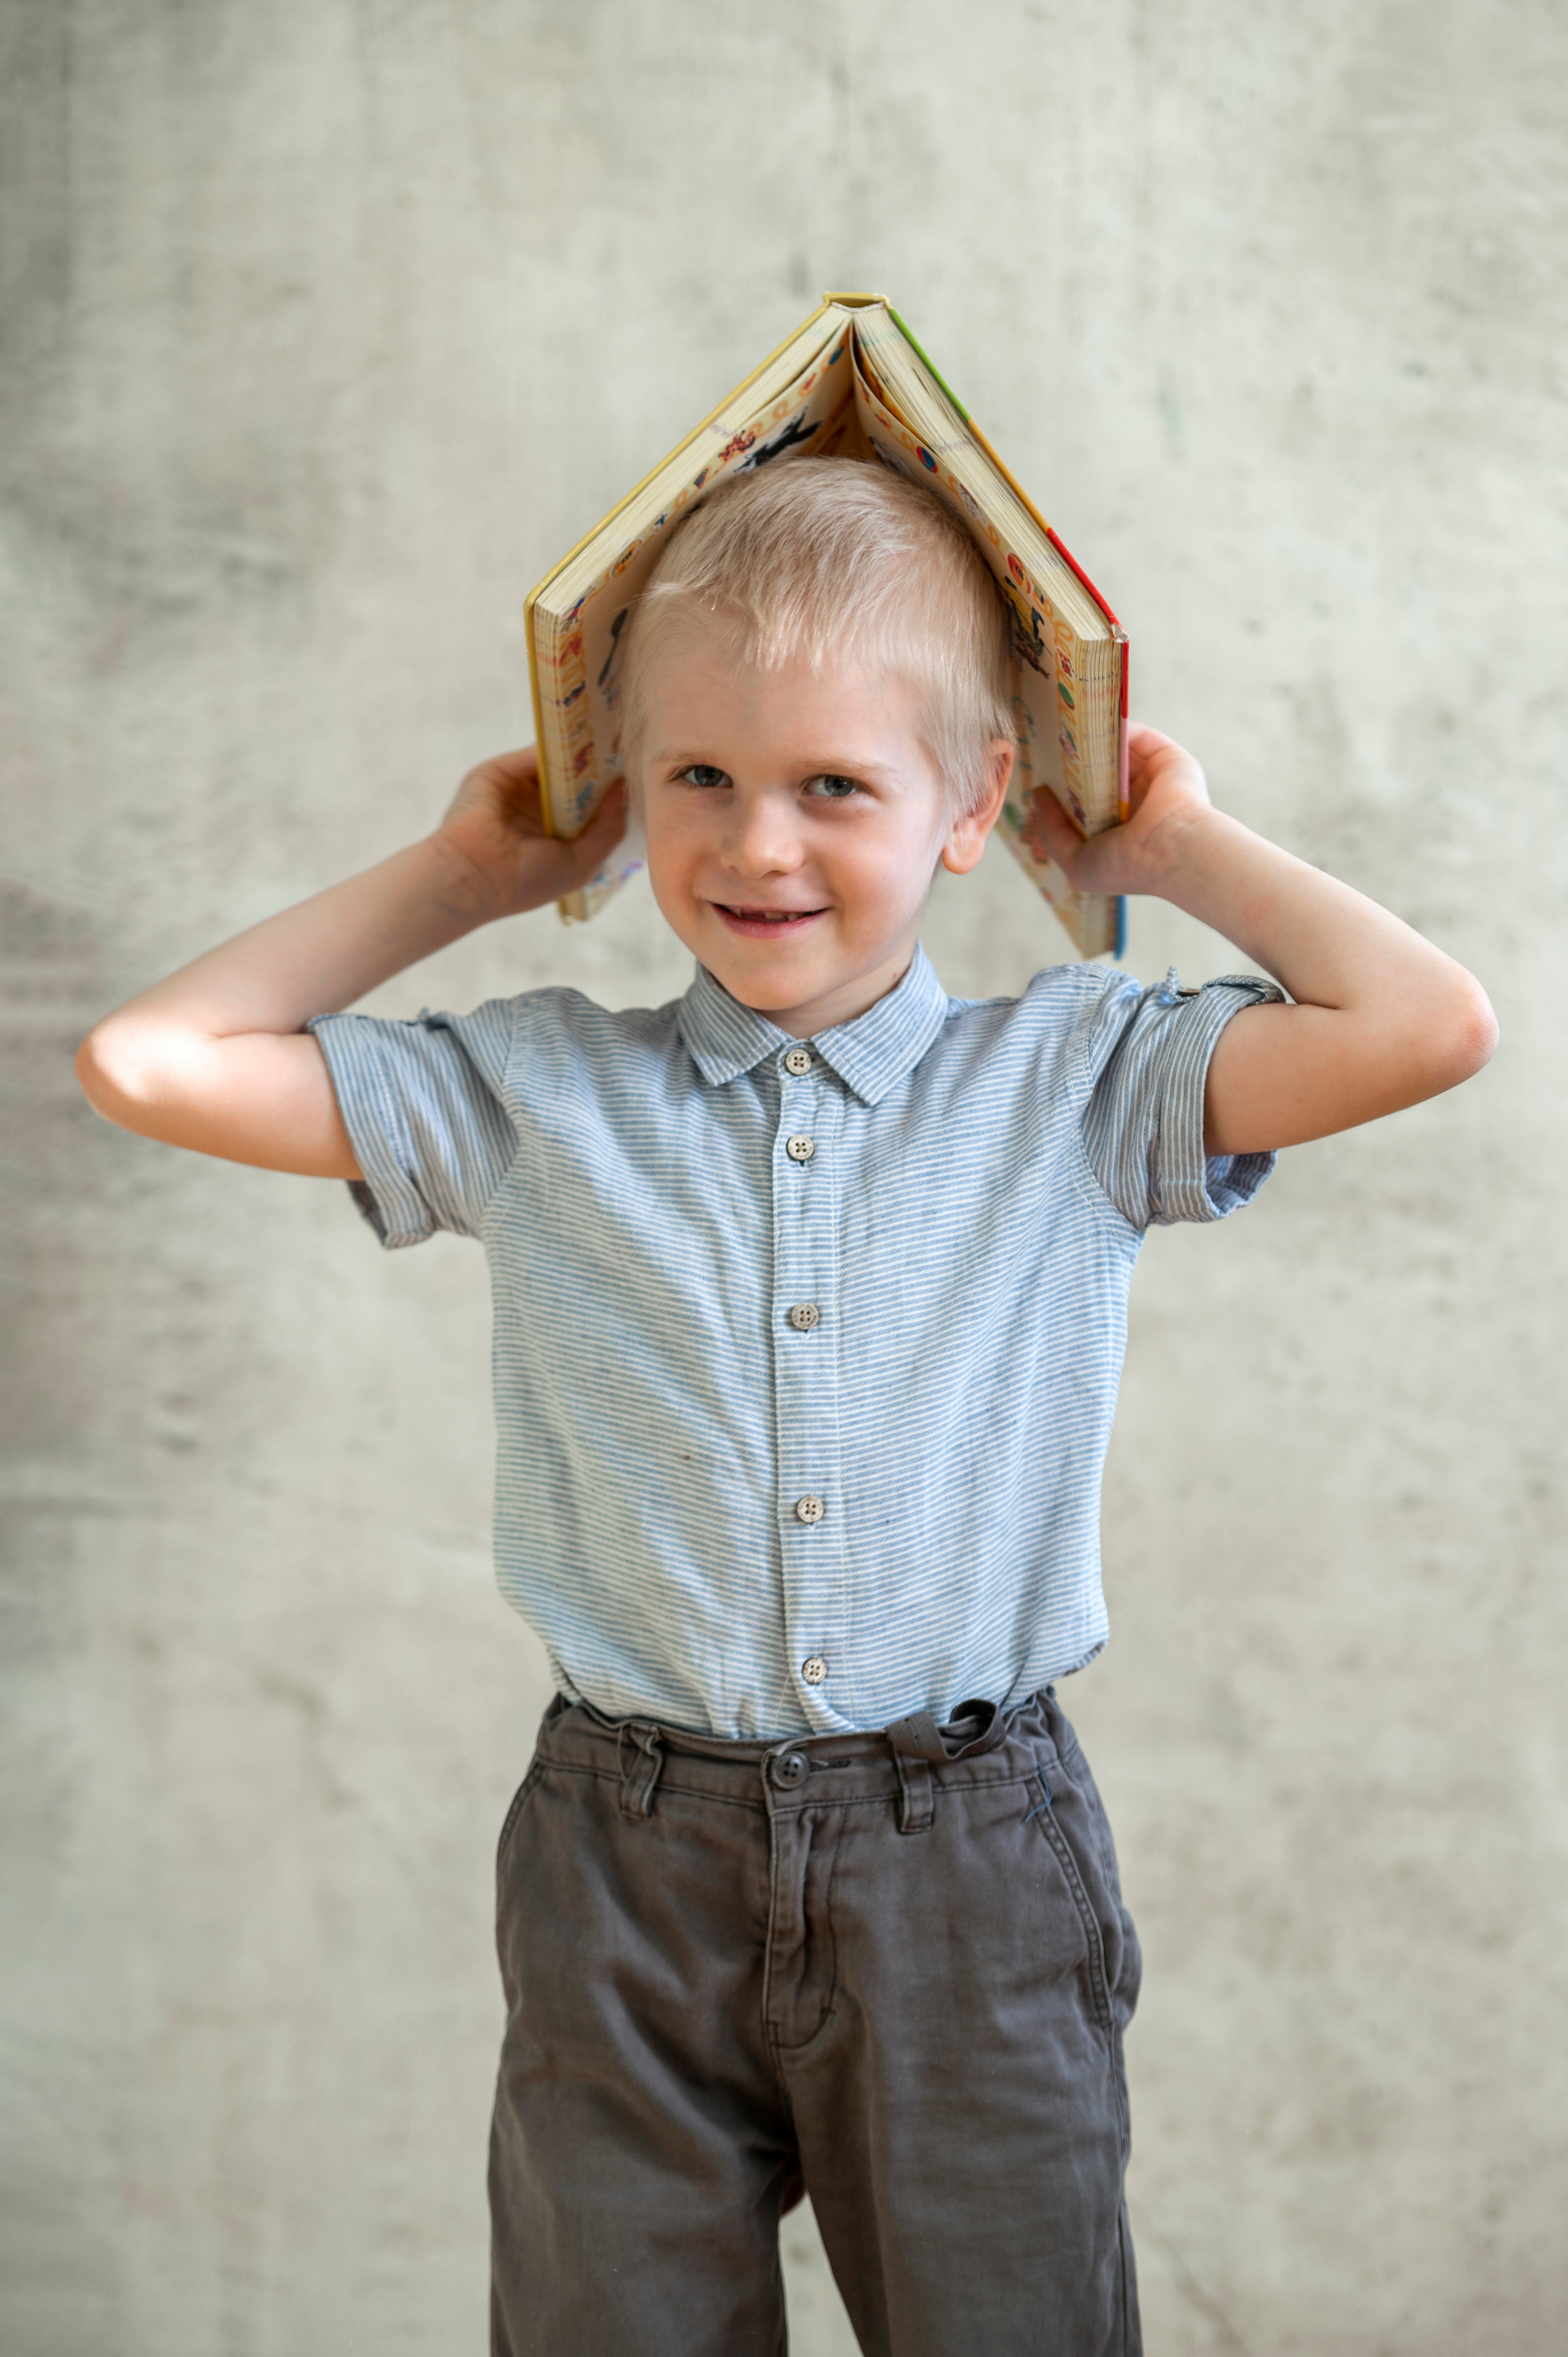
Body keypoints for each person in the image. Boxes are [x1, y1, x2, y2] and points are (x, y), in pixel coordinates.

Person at [75, 458, 1496, 2356]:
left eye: (835, 784)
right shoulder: (536, 1094)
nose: (759, 845)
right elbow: (147, 1060)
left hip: (969, 1854)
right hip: (626, 1859)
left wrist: (1173, 853)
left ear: (975, 803)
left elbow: (1429, 1025)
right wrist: (473, 876)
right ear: (624, 791)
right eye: (698, 780)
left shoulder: (1075, 1080)